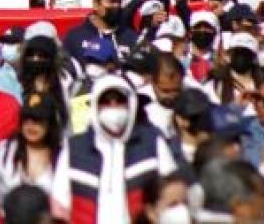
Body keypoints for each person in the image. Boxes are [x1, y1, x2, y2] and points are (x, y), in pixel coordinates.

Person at [52, 75, 177, 224]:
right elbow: (60, 205)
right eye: (106, 102)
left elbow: (173, 195)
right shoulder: (75, 148)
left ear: (130, 104)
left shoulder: (152, 142)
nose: (113, 107)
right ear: (95, 106)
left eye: (119, 101)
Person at [0, 92, 62, 205]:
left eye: (37, 120)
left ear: (50, 123)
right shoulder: (5, 151)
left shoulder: (63, 155)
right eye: (26, 119)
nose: (31, 125)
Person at [63, 0, 139, 66]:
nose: (116, 5)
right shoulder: (75, 37)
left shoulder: (131, 38)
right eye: (111, 1)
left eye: (119, 1)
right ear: (96, 4)